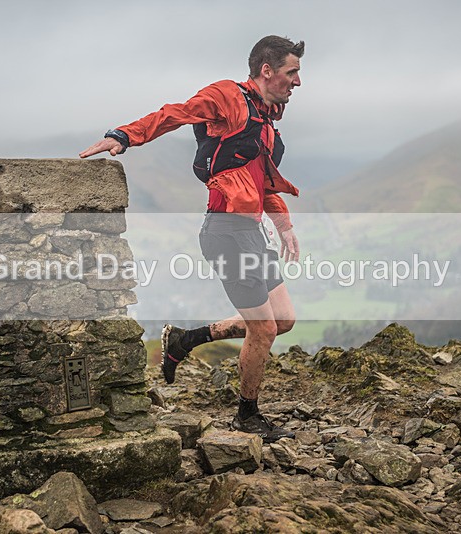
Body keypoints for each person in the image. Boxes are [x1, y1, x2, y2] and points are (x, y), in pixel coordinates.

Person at [80, 35, 304, 442]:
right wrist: (125, 136)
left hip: (251, 231)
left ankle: (186, 340)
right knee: (264, 330)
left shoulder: (265, 123)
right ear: (267, 71)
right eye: (293, 72)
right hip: (225, 232)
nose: (298, 82)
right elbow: (175, 113)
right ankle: (247, 414)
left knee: (283, 320)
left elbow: (262, 182)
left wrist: (284, 225)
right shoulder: (228, 97)